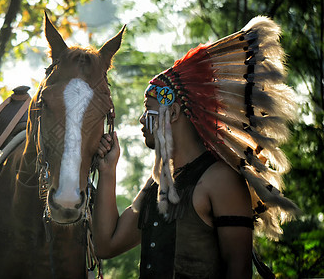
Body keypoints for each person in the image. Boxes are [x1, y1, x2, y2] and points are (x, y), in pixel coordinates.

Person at [93, 16, 299, 278]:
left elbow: (238, 270)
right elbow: (106, 244)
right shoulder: (157, 183)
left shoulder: (221, 180)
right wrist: (108, 169)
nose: (142, 120)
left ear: (175, 112)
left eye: (148, 109)